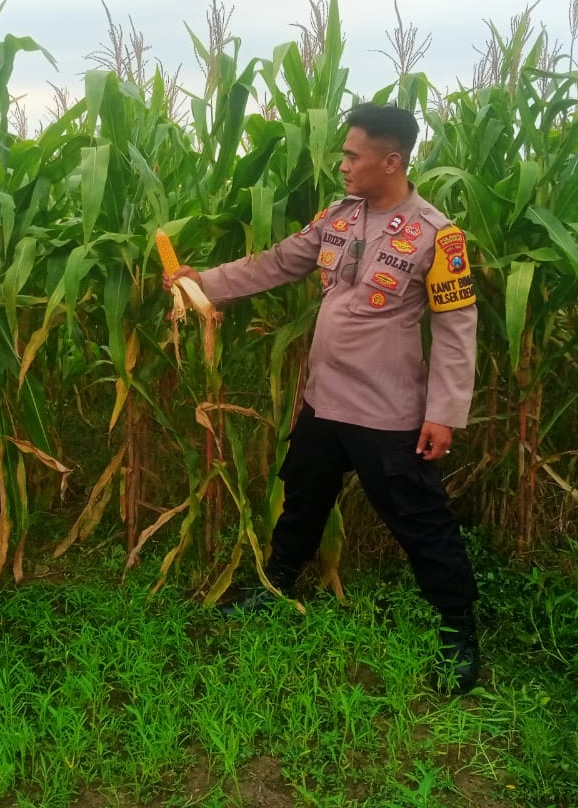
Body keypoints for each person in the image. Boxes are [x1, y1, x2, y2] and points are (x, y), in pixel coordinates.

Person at [165, 103, 481, 692]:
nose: (343, 165)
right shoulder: (337, 217)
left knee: (420, 521)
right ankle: (278, 583)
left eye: (353, 156)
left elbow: (457, 330)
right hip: (323, 400)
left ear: (391, 162)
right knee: (303, 498)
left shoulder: (438, 237)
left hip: (386, 412)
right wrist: (202, 281)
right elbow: (277, 263)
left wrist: (444, 413)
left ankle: (458, 629)